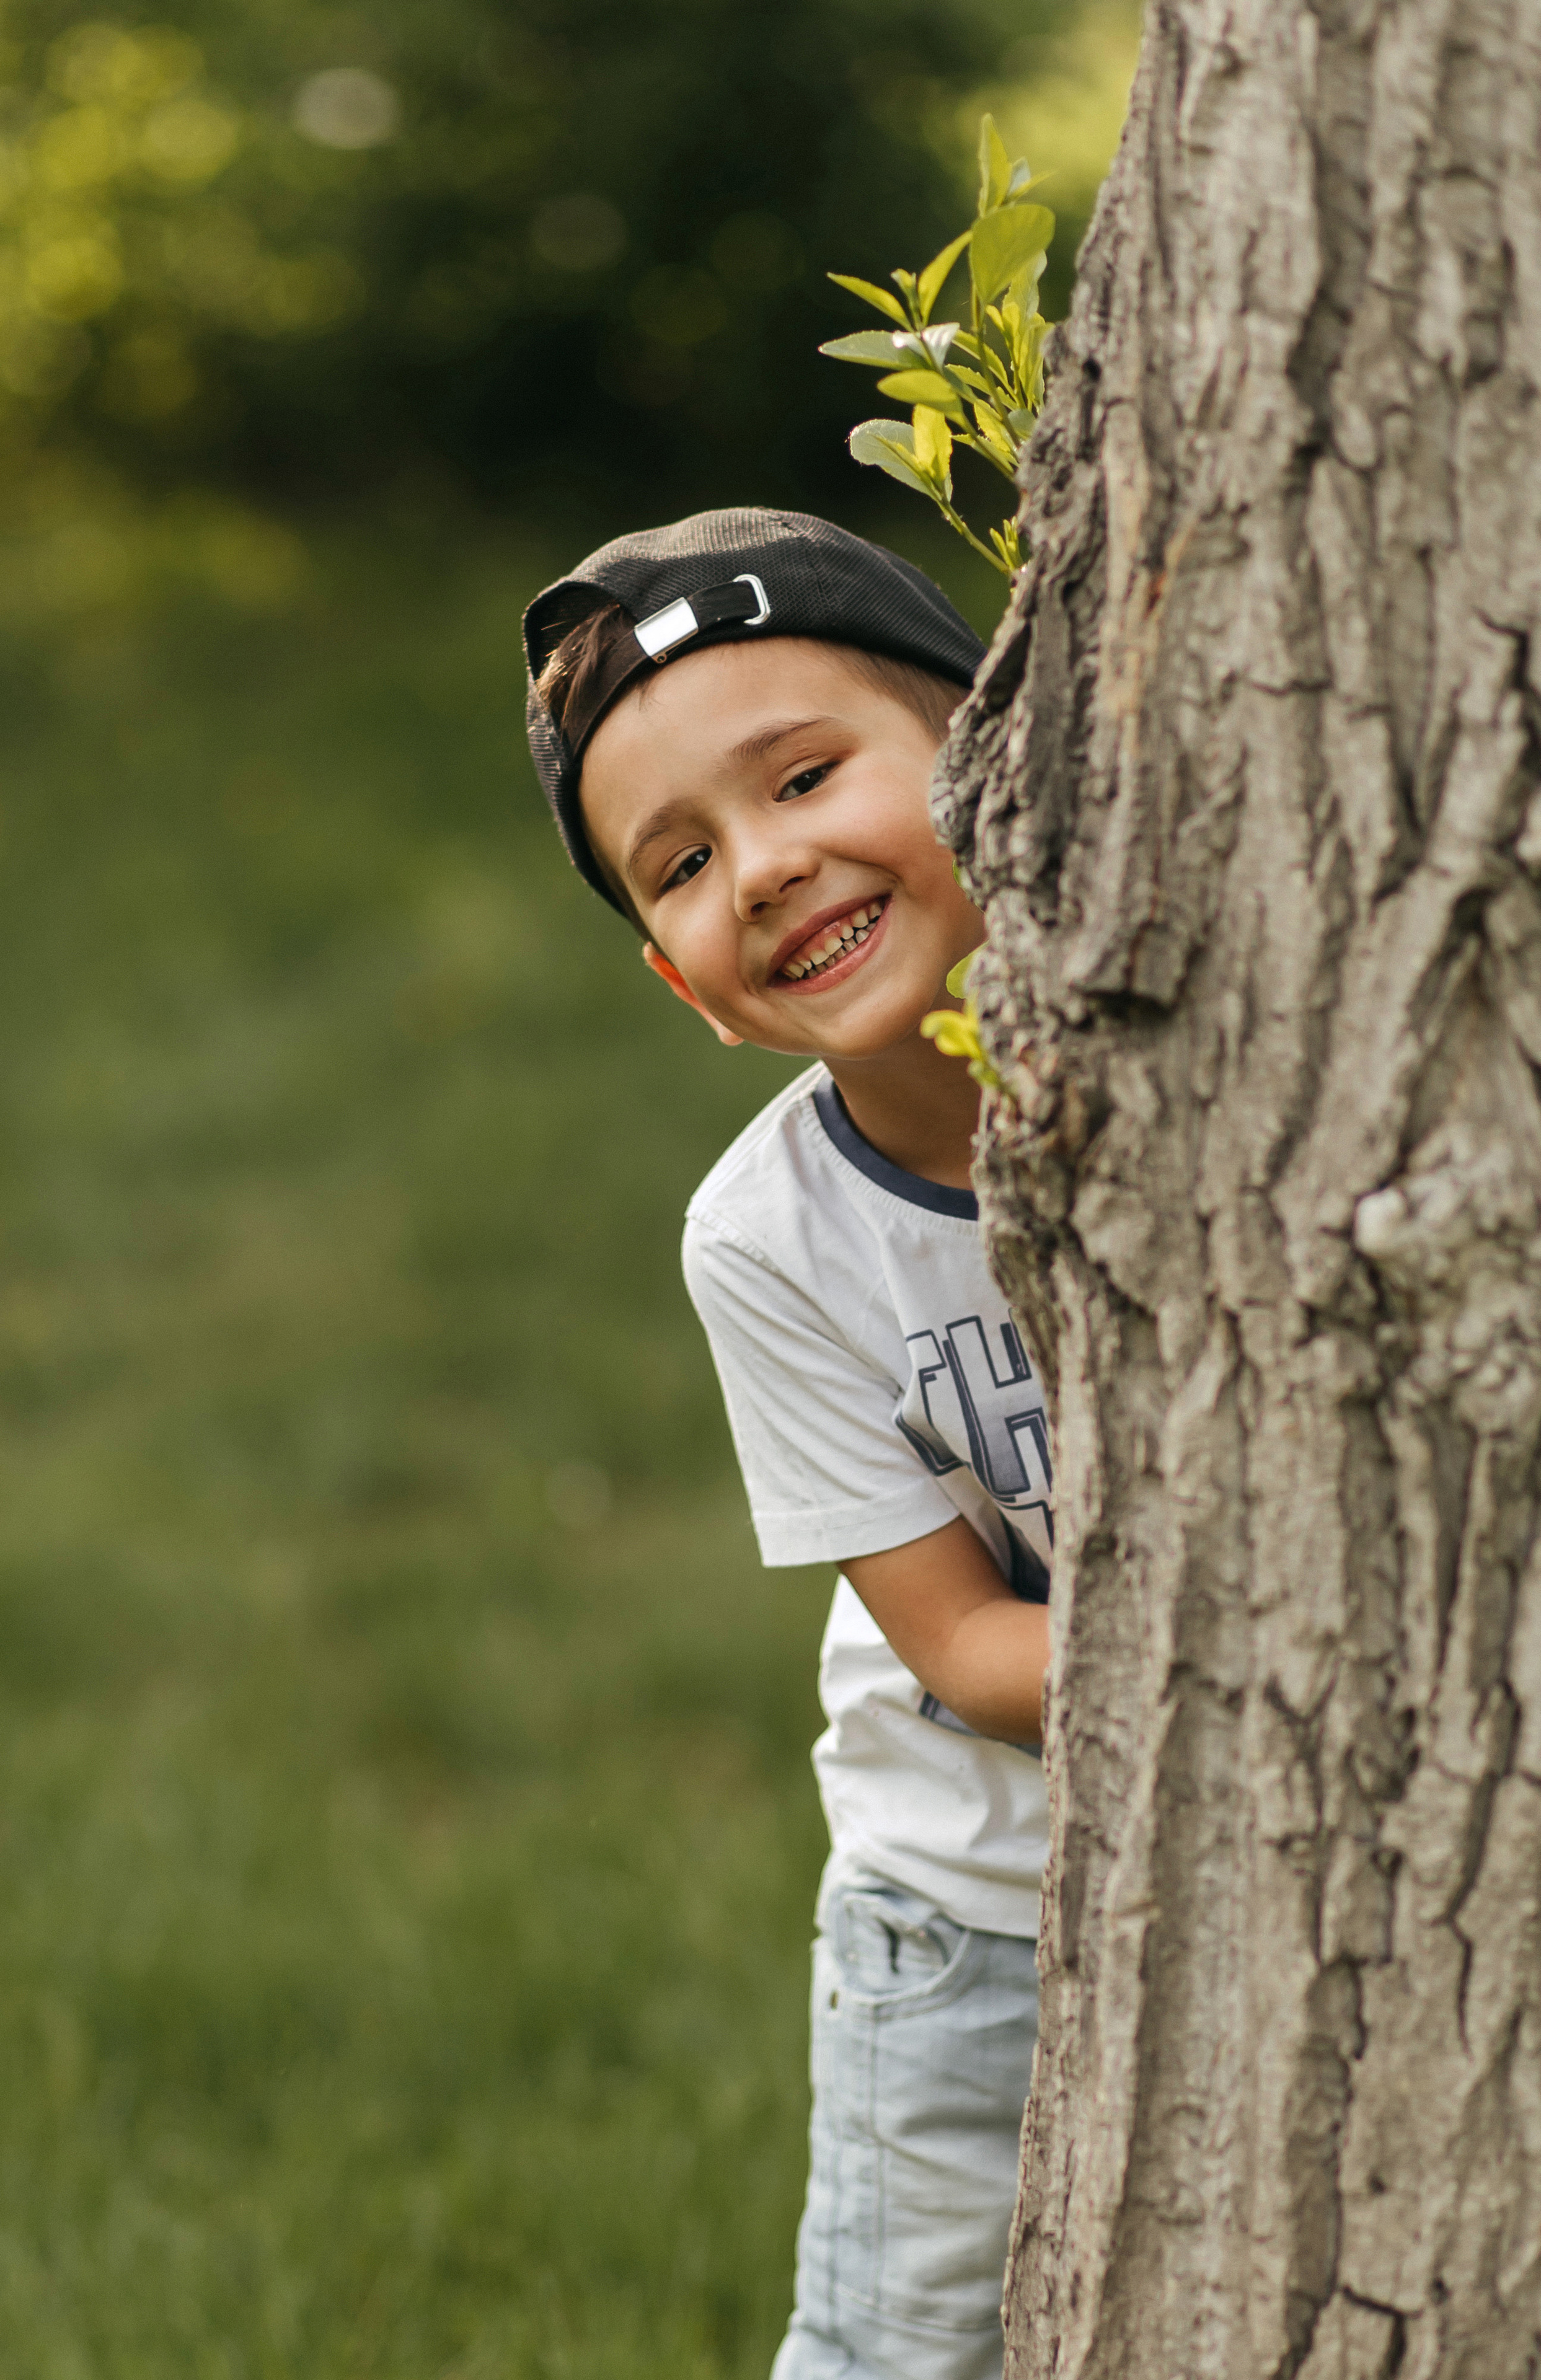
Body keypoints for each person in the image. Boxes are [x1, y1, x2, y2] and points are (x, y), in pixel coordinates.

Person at [523, 508, 1051, 2380]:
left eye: (809, 772)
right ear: (685, 988)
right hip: (976, 1917)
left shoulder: (1230, 1065)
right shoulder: (770, 1238)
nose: (764, 867)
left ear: (1002, 739)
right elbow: (977, 1655)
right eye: (681, 864)